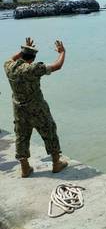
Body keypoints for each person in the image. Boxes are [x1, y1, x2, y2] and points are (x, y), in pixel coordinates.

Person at [3, 37, 68, 178]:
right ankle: (56, 164)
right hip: (37, 108)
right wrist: (62, 52)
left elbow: (12, 58)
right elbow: (57, 66)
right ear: (32, 59)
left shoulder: (8, 67)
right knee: (49, 131)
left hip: (19, 109)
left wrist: (24, 49)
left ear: (22, 55)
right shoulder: (33, 68)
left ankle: (25, 168)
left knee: (21, 136)